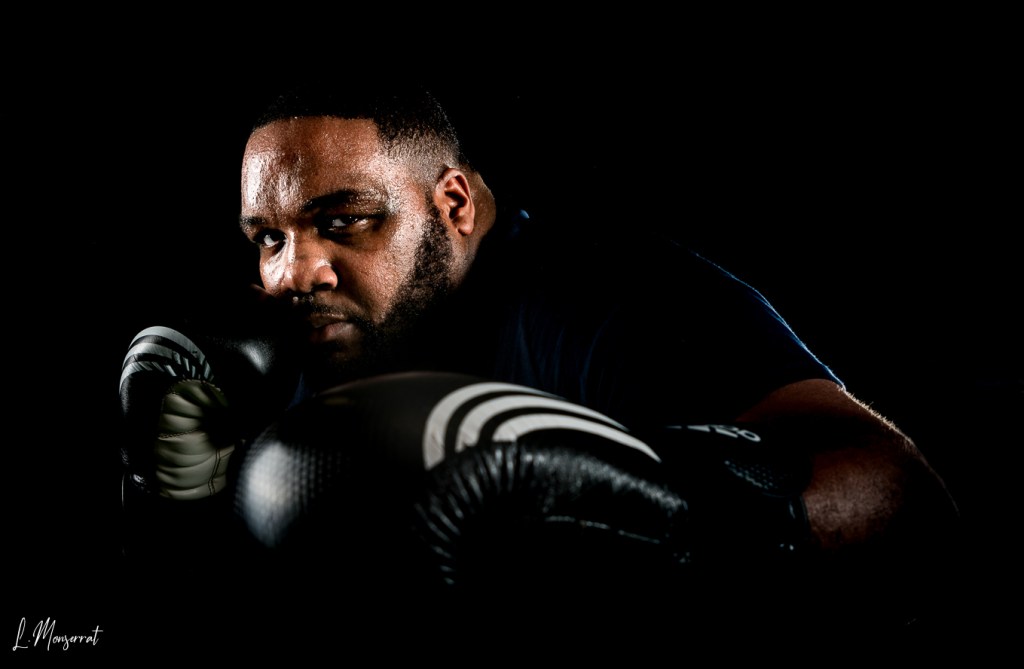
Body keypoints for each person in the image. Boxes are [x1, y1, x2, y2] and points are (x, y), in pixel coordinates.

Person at [119, 81, 960, 639]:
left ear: (453, 203)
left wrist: (672, 511)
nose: (292, 272)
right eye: (268, 237)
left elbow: (901, 490)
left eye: (343, 221)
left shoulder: (603, 296)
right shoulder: (267, 351)